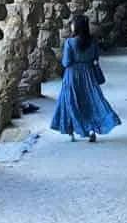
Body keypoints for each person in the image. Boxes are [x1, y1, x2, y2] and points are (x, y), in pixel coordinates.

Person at [51, 14, 121, 142]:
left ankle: (72, 130)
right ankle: (92, 130)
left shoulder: (70, 42)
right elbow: (95, 58)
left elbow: (66, 62)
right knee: (91, 102)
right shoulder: (92, 42)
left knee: (71, 102)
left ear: (76, 27)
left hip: (72, 75)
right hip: (88, 75)